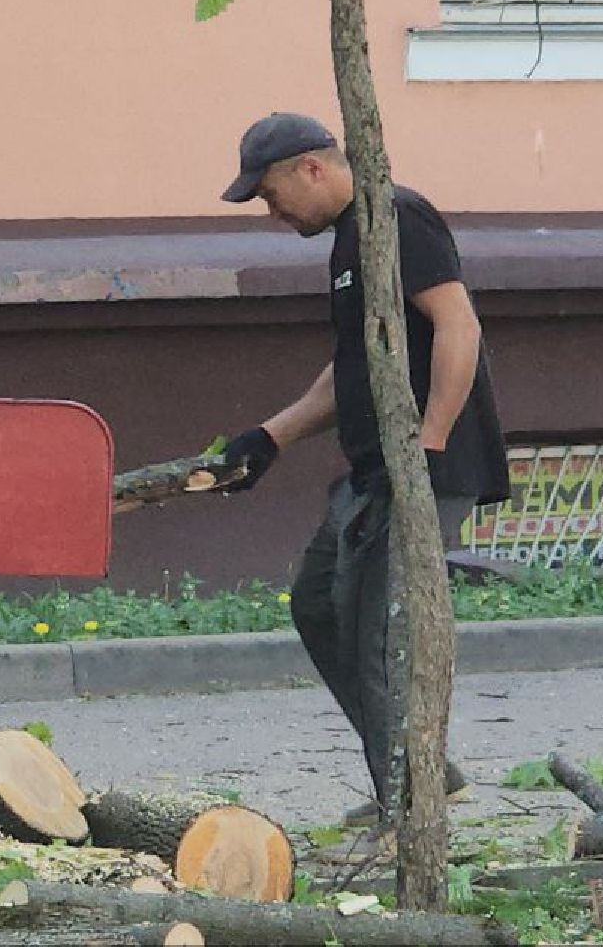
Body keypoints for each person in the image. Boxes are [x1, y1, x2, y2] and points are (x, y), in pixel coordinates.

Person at [214, 112, 510, 863]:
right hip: (374, 469)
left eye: (270, 193)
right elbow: (354, 364)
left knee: (380, 635)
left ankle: (408, 819)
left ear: (312, 168)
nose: (271, 213)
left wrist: (428, 443)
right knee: (319, 603)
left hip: (423, 466)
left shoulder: (394, 218)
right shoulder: (351, 240)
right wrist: (271, 436)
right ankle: (420, 777)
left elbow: (458, 325)